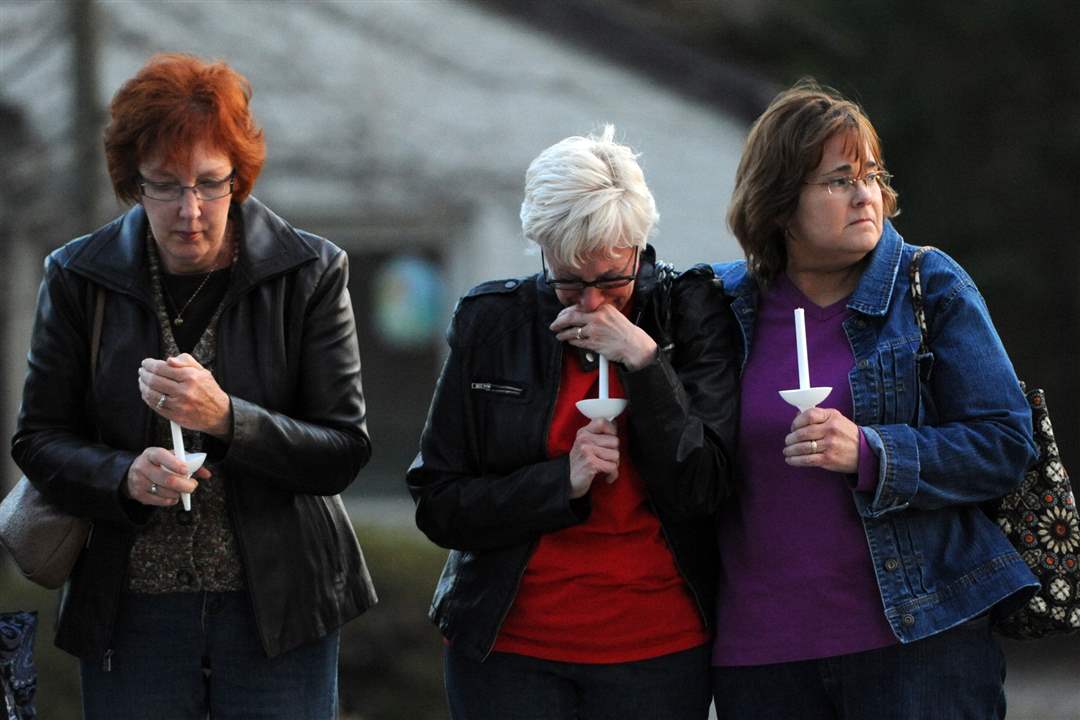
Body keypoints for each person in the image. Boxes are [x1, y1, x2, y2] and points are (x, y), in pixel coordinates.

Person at [10, 53, 376, 719]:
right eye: (165, 185)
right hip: (130, 613)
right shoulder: (78, 275)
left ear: (239, 178)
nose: (190, 210)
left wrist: (230, 418)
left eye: (211, 183)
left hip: (279, 612)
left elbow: (343, 451)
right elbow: (37, 440)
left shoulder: (310, 271)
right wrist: (122, 476)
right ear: (133, 183)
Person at [709, 79, 1039, 719]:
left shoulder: (930, 284)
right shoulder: (720, 306)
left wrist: (871, 451)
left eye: (871, 175)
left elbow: (1004, 444)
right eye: (839, 180)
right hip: (761, 659)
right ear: (780, 203)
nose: (866, 196)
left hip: (917, 647)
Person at [407, 126, 738, 719]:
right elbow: (438, 502)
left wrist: (645, 362)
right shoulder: (492, 322)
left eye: (612, 280)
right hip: (508, 650)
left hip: (658, 650)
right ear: (541, 249)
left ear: (638, 246)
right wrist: (561, 482)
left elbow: (705, 488)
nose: (591, 302)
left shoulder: (691, 311)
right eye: (567, 281)